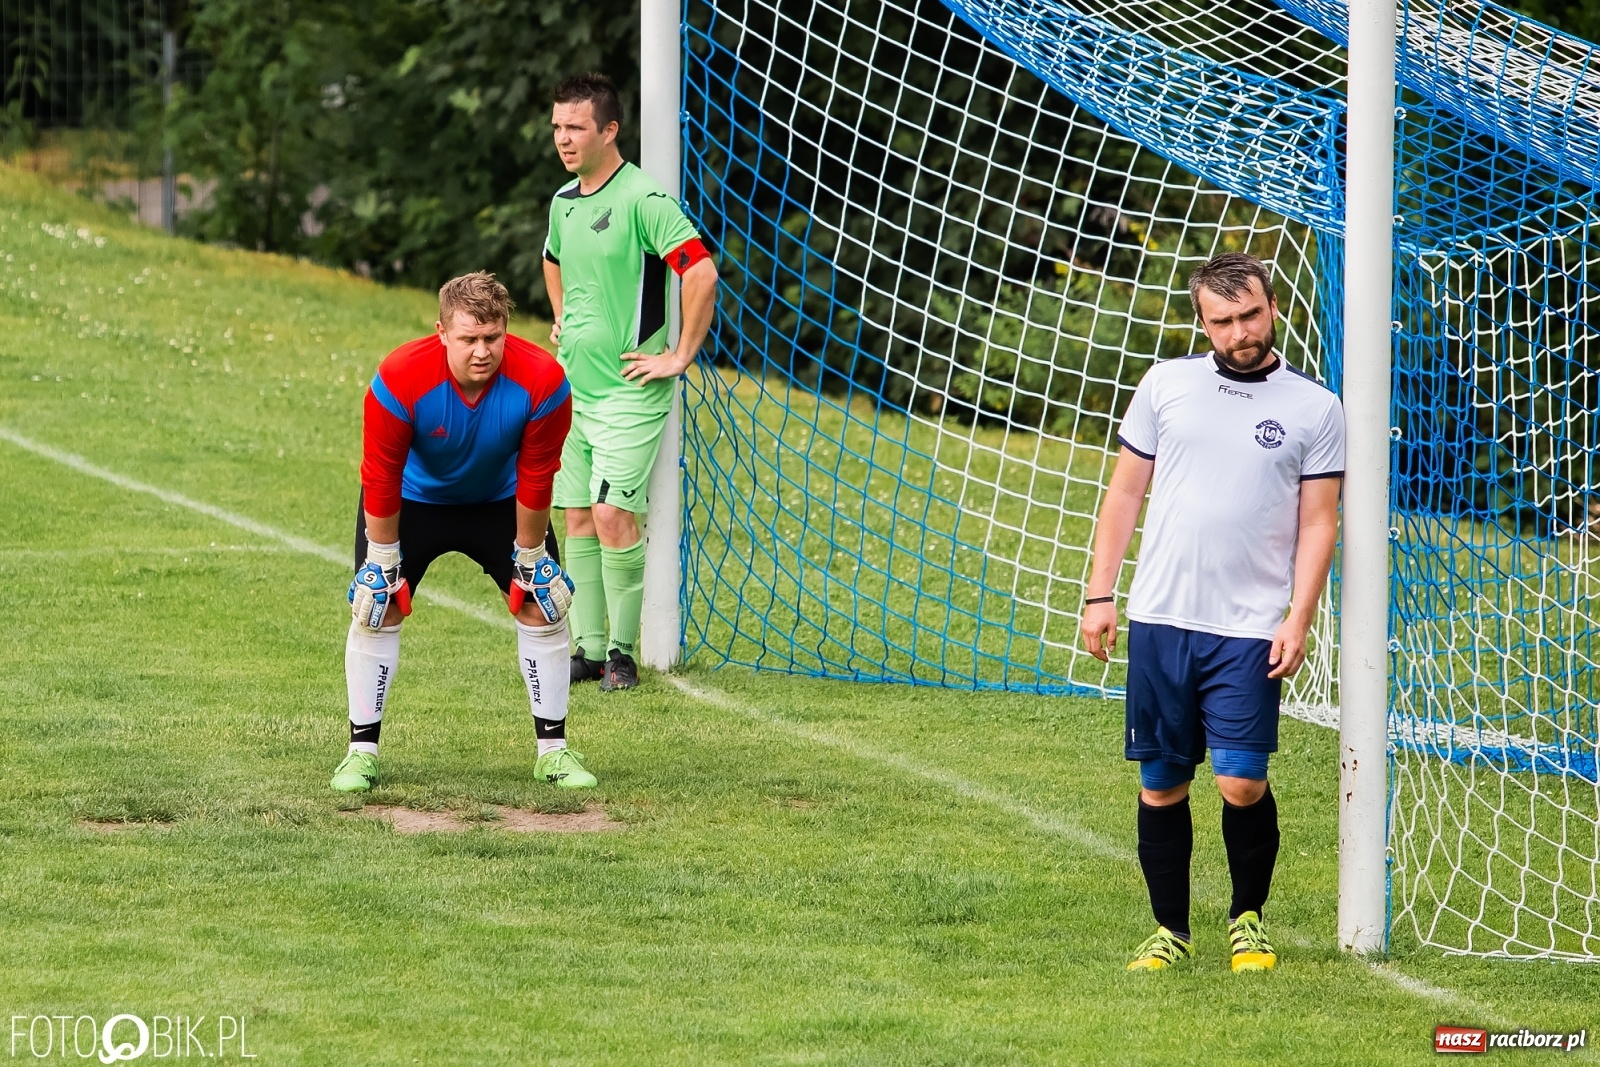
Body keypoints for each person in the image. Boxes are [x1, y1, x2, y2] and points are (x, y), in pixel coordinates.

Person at [1079, 252, 1344, 972]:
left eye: (1250, 314)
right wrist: (1098, 594)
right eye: (1223, 320)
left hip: (1250, 624)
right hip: (1163, 616)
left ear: (1274, 307)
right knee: (1162, 781)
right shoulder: (1167, 385)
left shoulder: (1315, 408)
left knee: (1241, 780)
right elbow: (1125, 494)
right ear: (1203, 322)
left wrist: (1299, 616)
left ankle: (1247, 918)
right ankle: (1170, 930)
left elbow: (1320, 522)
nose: (1240, 331)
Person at [331, 272, 599, 793]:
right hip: (413, 500)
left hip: (498, 500)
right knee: (376, 602)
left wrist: (530, 554)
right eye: (469, 339)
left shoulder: (544, 380)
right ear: (441, 332)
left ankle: (554, 752)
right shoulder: (399, 378)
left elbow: (538, 473)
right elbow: (379, 474)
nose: (482, 351)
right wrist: (382, 560)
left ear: (506, 331)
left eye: (492, 338)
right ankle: (360, 753)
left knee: (541, 601)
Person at [543, 72, 719, 691]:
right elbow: (552, 257)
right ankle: (588, 651)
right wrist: (564, 317)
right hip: (573, 391)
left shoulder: (644, 199)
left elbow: (699, 271)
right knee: (578, 518)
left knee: (614, 513)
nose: (564, 138)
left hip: (628, 391)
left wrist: (679, 355)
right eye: (558, 126)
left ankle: (622, 652)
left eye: (576, 128)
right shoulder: (564, 201)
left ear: (609, 130)